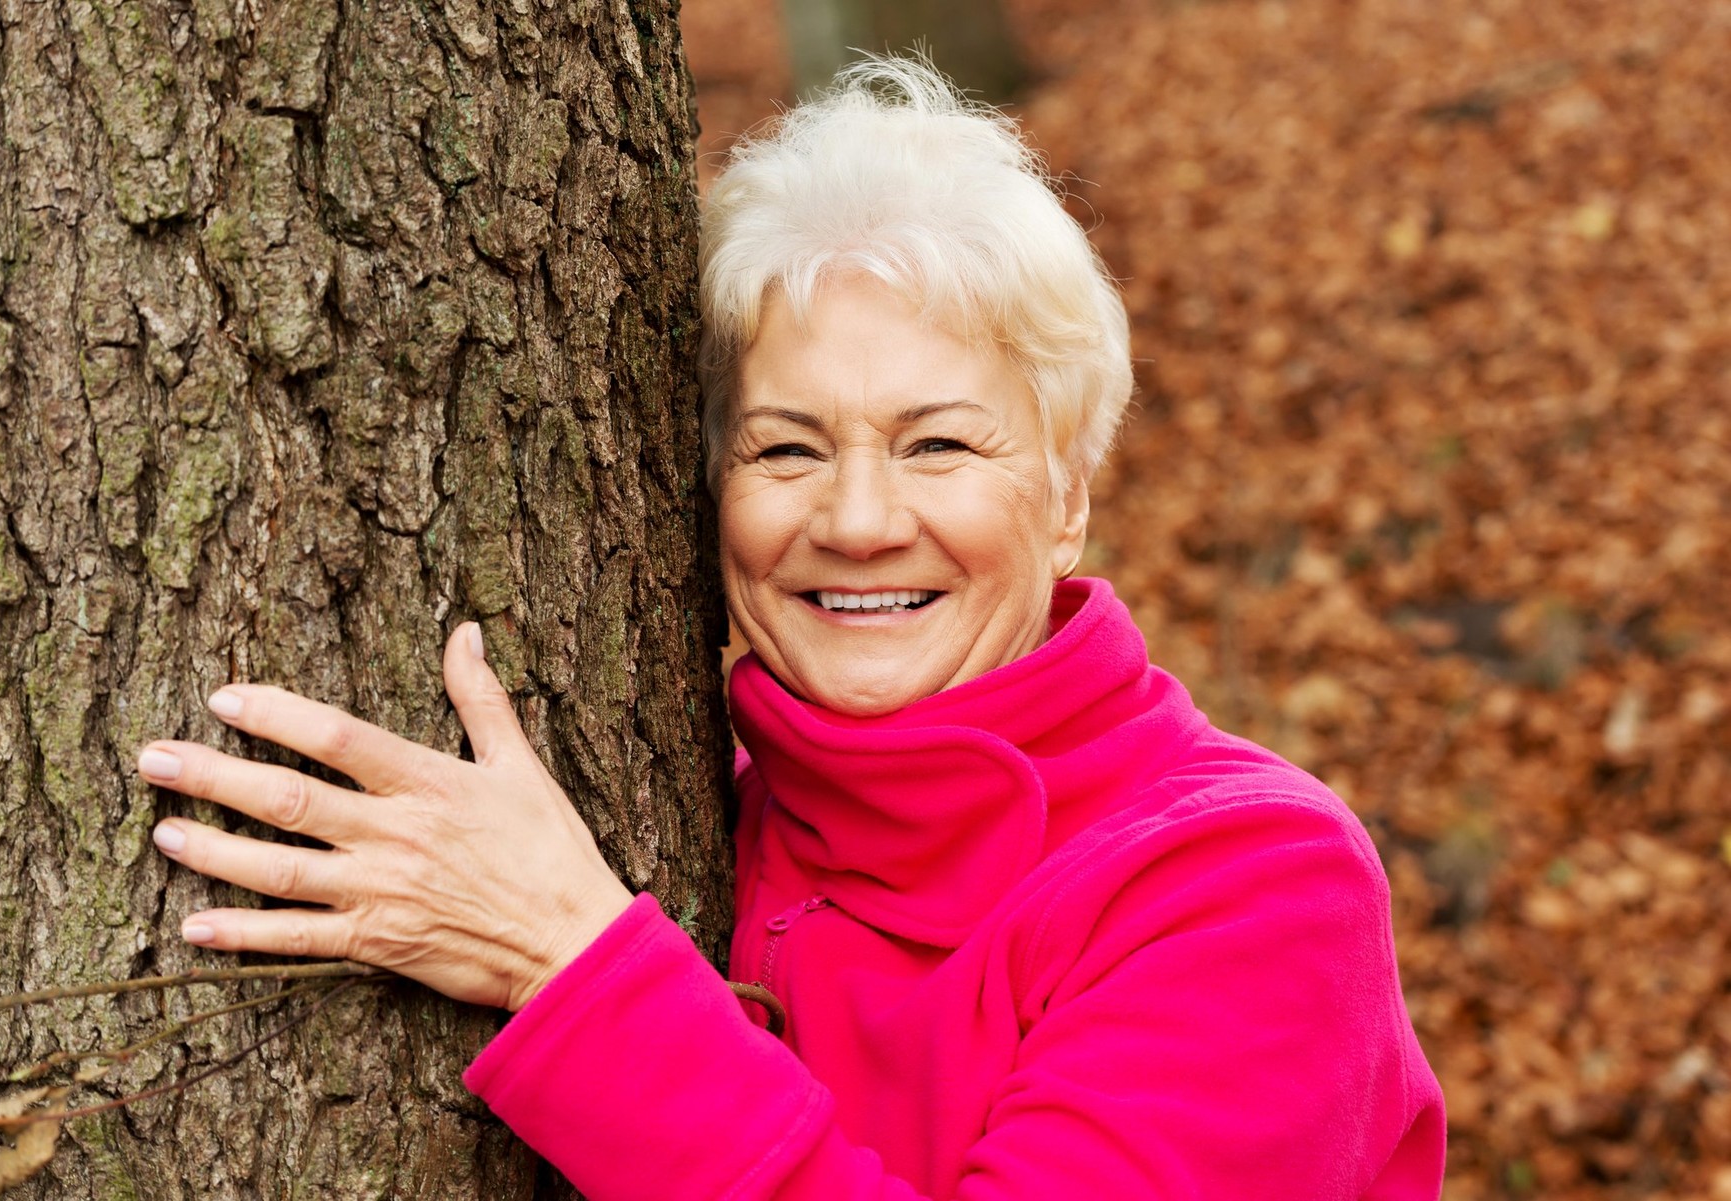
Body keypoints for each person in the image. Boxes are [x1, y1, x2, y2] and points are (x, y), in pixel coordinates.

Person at [137, 60, 1445, 1199]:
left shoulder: (1248, 882)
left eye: (939, 444)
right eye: (786, 446)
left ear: (1067, 498)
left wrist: (576, 966)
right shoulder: (704, 807)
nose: (860, 517)